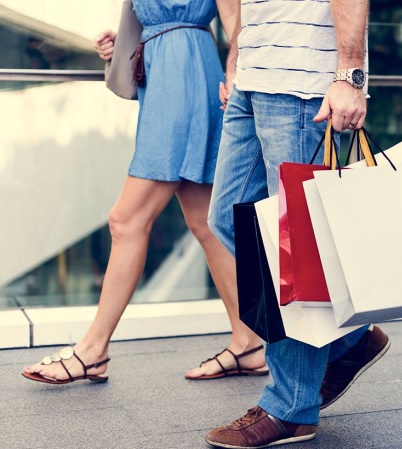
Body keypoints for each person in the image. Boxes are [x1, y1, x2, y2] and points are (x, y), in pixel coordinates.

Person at [21, 0, 268, 384]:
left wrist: (237, 75)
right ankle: (250, 342)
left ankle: (92, 351)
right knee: (206, 223)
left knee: (126, 220)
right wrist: (124, 43)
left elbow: (235, 18)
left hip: (184, 79)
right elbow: (167, 18)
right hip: (166, 74)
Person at [203, 0, 390, 446]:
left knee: (295, 247)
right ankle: (350, 338)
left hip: (302, 82)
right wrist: (237, 58)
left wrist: (350, 77)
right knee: (231, 220)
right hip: (254, 73)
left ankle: (291, 407)